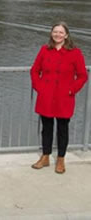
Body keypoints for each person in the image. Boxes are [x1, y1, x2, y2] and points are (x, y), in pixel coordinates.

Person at [30, 22, 87, 174]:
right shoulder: (44, 50)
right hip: (46, 95)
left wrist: (72, 90)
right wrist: (39, 87)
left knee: (63, 129)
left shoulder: (75, 53)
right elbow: (35, 71)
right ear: (51, 34)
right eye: (55, 32)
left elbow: (82, 76)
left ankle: (61, 159)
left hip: (64, 97)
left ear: (66, 35)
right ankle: (45, 157)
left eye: (61, 32)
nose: (57, 35)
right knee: (46, 128)